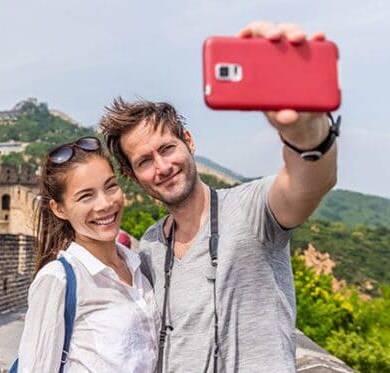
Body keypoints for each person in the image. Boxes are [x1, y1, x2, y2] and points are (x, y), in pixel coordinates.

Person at [99, 22, 339, 373]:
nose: (162, 166)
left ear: (189, 142)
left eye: (167, 148)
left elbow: (311, 182)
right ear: (133, 176)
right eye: (145, 161)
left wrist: (306, 131)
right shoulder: (151, 244)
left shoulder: (250, 210)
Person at [16, 136, 160, 372]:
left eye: (111, 186)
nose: (104, 204)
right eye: (86, 196)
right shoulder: (57, 280)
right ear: (59, 209)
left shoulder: (137, 265)